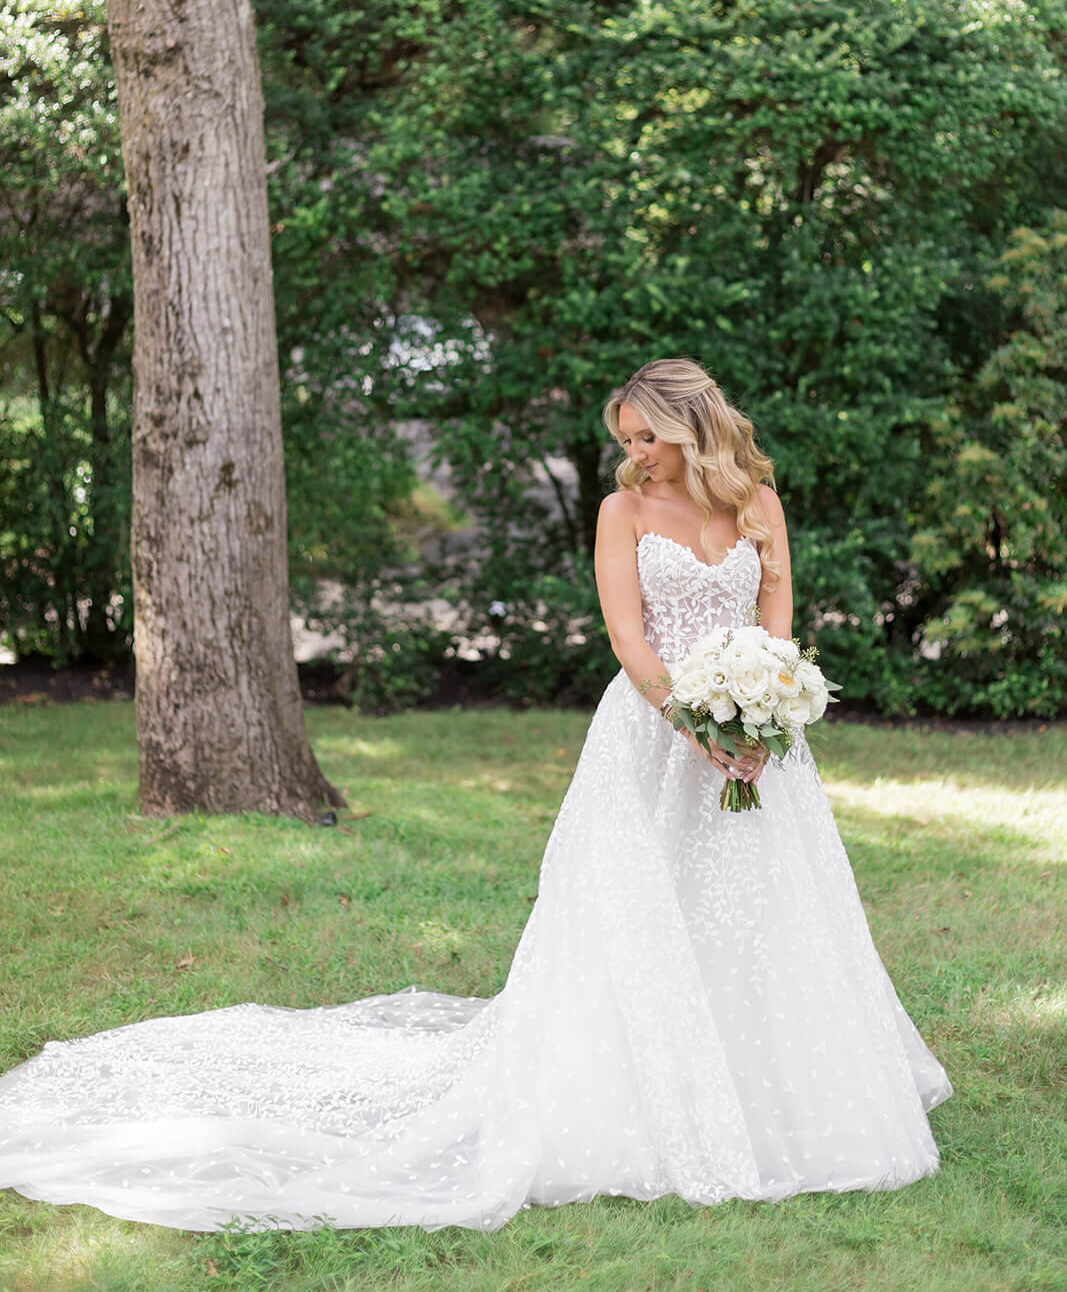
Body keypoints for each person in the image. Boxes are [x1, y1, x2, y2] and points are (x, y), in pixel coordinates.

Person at [0, 357, 951, 1232]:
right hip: (654, 737)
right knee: (640, 914)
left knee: (762, 909)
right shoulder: (621, 513)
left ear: (691, 426)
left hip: (757, 743)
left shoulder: (757, 503)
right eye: (624, 441)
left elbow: (776, 620)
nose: (632, 456)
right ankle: (651, 1083)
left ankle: (769, 1079)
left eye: (644, 439)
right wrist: (698, 730)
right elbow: (628, 637)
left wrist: (763, 715)